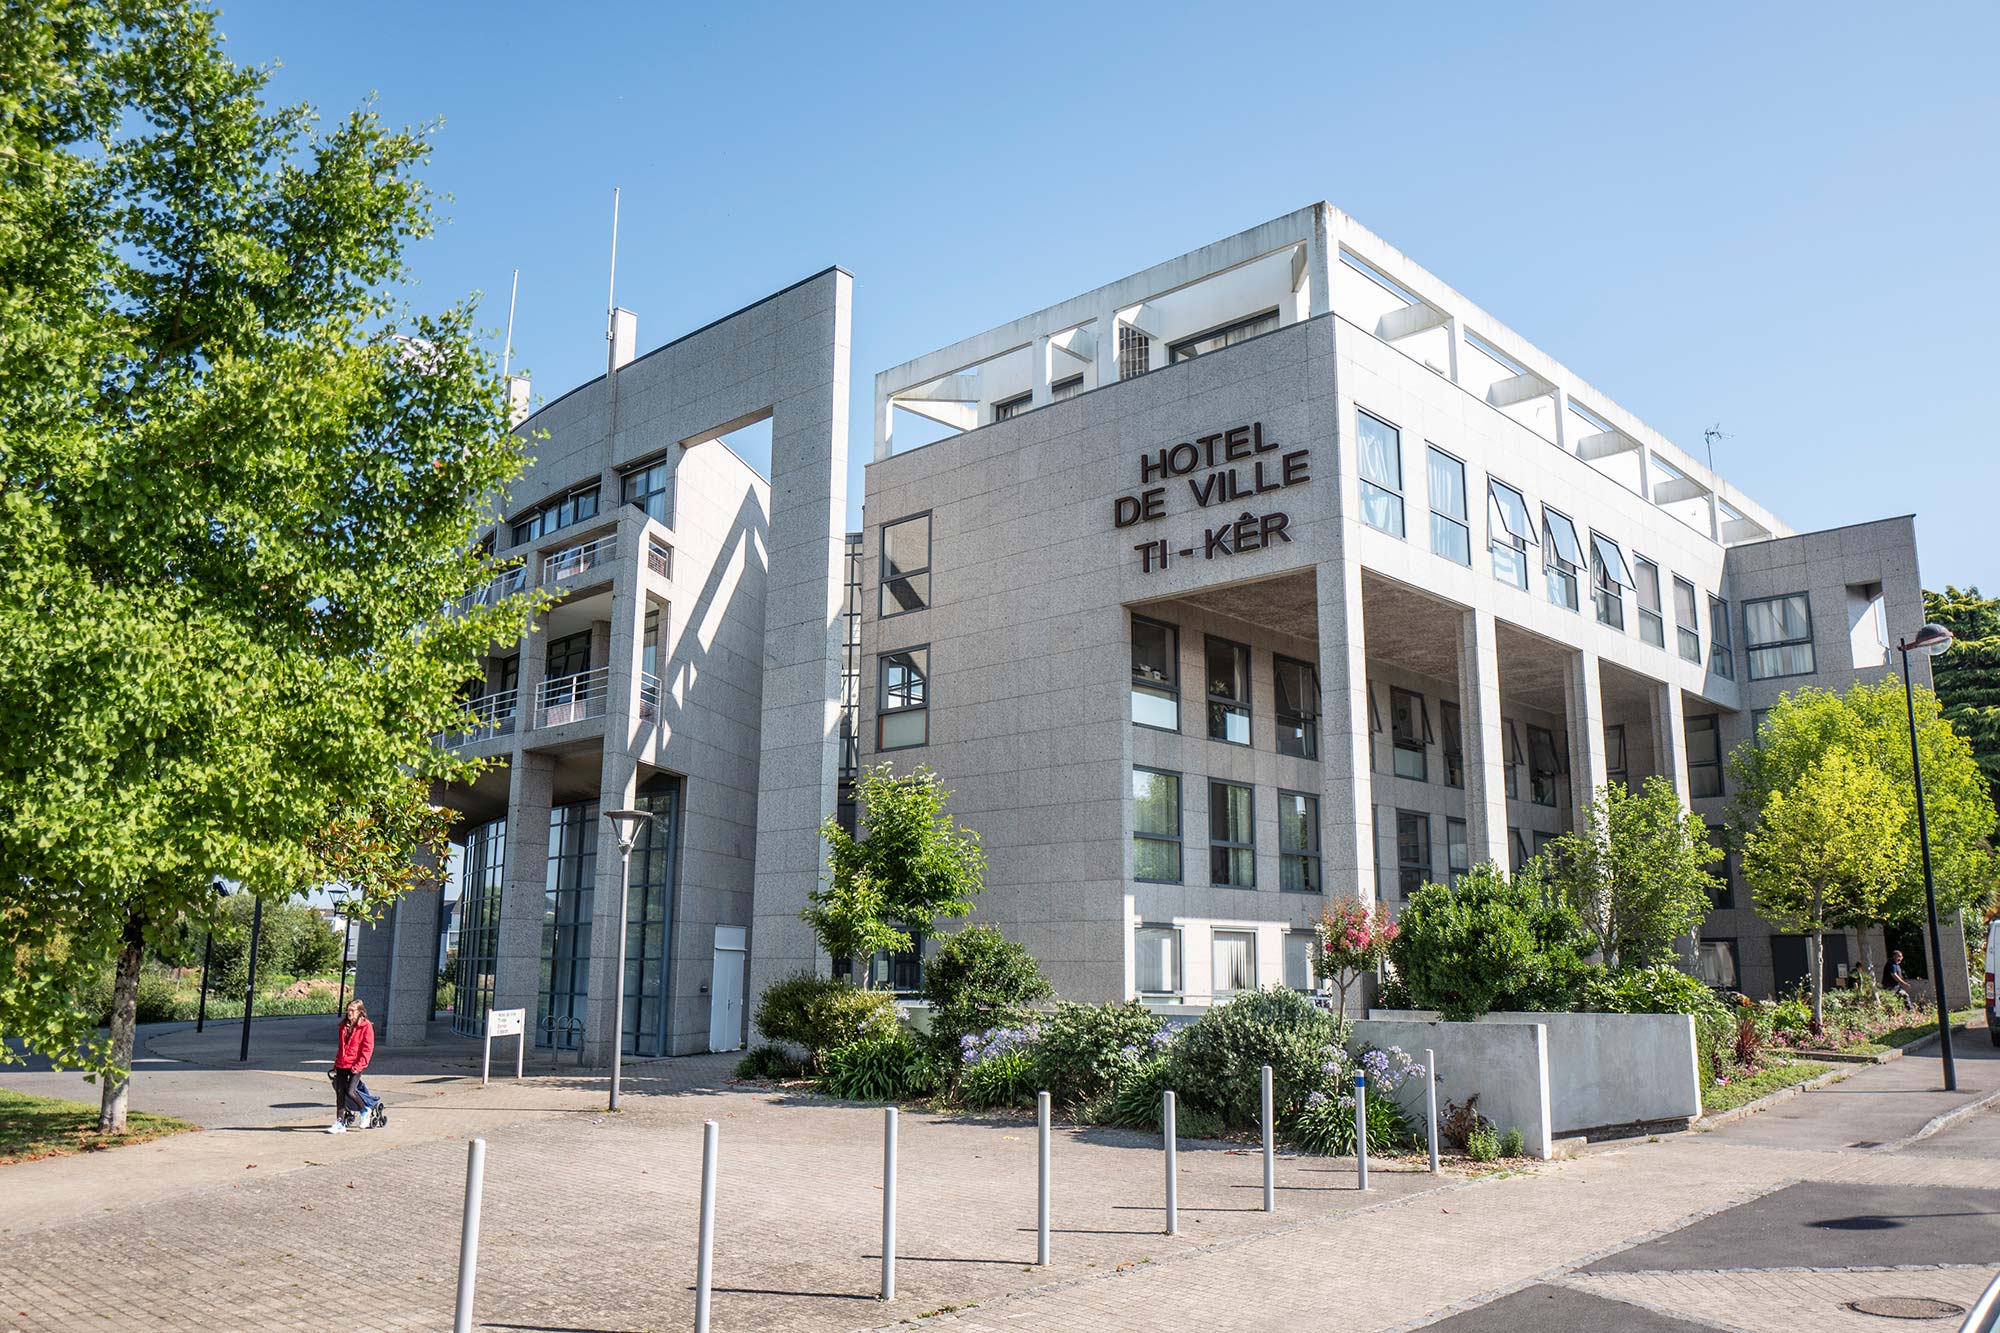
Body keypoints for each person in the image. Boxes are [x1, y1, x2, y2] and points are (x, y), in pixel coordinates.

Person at [329, 999, 376, 1133]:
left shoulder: (366, 1026)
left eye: (352, 1010)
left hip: (356, 1063)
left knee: (350, 1091)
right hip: (343, 1063)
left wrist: (360, 1064)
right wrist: (336, 1063)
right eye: (348, 1010)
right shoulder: (343, 1025)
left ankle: (365, 1110)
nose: (349, 1013)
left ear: (360, 1011)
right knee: (340, 1092)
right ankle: (339, 1123)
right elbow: (341, 1047)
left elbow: (368, 1048)